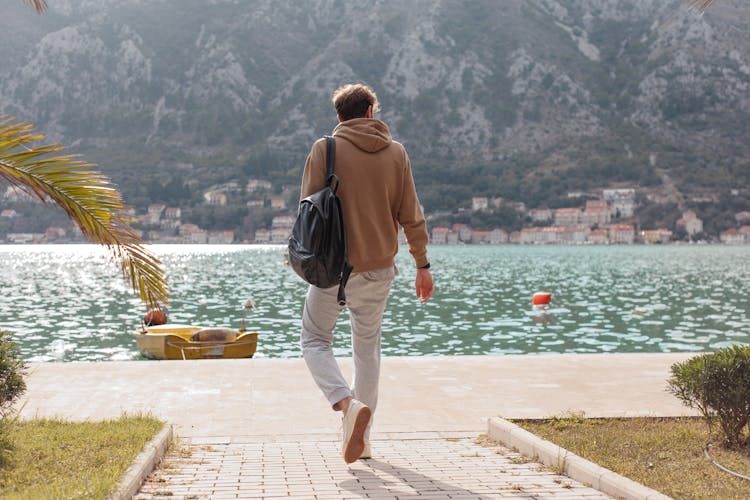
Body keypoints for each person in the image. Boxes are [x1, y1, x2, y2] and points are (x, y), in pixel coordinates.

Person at [299, 83, 434, 464]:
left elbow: (307, 210)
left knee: (313, 340)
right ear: (371, 112)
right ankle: (365, 441)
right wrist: (421, 265)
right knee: (367, 351)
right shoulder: (396, 154)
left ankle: (346, 405)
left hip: (332, 270)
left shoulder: (325, 150)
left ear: (340, 116)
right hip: (379, 270)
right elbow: (412, 215)